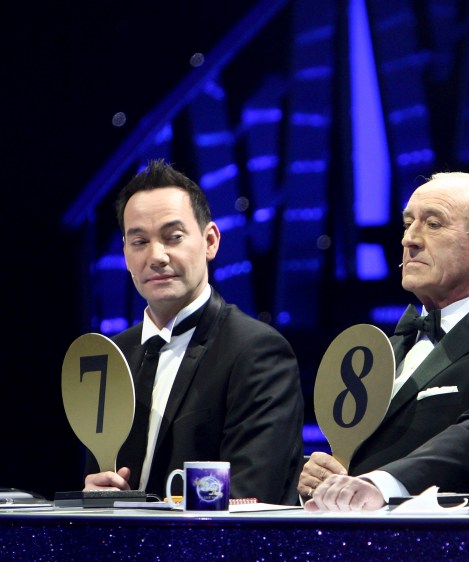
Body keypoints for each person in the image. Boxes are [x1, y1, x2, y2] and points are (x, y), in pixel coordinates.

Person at [301, 171, 469, 512]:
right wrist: (323, 479)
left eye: (433, 224)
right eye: (408, 223)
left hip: (464, 553)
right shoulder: (389, 347)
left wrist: (378, 484)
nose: (409, 240)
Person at [83, 160, 304, 504]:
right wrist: (95, 500)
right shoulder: (113, 355)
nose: (157, 256)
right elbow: (101, 477)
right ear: (126, 254)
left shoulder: (257, 351)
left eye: (173, 237)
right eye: (139, 241)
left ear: (210, 241)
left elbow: (251, 499)